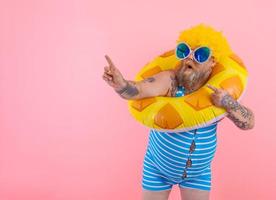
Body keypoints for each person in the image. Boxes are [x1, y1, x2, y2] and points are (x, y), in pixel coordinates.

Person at [102, 26, 255, 200]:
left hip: (198, 173)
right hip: (157, 169)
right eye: (184, 51)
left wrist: (227, 102)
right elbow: (139, 89)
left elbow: (249, 122)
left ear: (212, 61)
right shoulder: (170, 80)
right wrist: (121, 85)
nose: (189, 58)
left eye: (200, 55)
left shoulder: (220, 90)